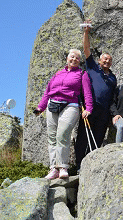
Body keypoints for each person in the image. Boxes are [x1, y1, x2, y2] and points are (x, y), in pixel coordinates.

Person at [35, 49, 93, 179]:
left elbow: (87, 92)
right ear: (67, 58)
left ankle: (62, 167)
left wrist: (88, 108)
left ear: (80, 61)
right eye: (72, 57)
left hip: (70, 105)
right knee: (51, 137)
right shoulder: (58, 74)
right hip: (52, 104)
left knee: (62, 134)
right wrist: (40, 107)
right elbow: (48, 91)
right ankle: (53, 168)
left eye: (77, 58)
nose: (74, 59)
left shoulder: (82, 74)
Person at [74, 20, 117, 170]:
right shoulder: (92, 67)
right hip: (89, 108)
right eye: (105, 58)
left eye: (110, 60)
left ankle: (91, 166)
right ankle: (79, 165)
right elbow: (86, 48)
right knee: (83, 137)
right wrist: (86, 32)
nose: (107, 60)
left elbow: (112, 97)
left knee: (98, 138)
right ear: (99, 60)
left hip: (104, 112)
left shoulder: (112, 77)